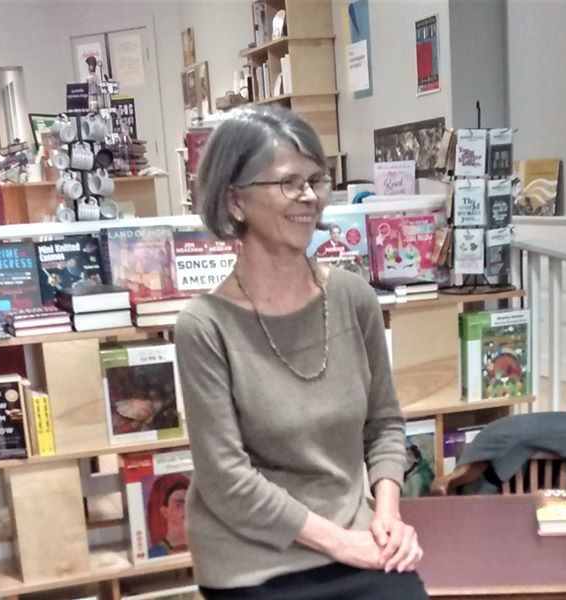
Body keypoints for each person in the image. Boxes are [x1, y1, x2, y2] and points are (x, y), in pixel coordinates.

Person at [174, 105, 427, 599]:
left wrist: (388, 517)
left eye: (316, 179)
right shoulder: (204, 327)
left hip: (360, 536)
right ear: (236, 201)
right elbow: (227, 481)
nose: (309, 197)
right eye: (289, 183)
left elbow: (385, 426)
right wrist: (345, 546)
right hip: (253, 562)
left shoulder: (354, 298)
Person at [146, 473, 190, 557]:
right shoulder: (155, 554)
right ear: (164, 511)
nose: (186, 509)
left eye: (189, 503)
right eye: (179, 505)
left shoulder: (203, 546)